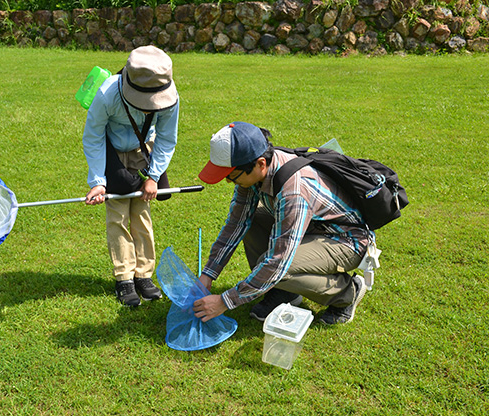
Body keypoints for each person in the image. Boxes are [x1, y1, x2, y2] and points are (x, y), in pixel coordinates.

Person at [193, 122, 373, 325]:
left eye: (232, 177)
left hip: (346, 240)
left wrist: (225, 302)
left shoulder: (293, 190)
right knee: (254, 223)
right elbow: (237, 223)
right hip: (311, 228)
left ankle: (348, 294)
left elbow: (278, 262)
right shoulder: (255, 169)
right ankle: (284, 293)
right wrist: (209, 273)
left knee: (280, 270)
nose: (229, 183)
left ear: (260, 163)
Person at [82, 45, 179, 307]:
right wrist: (98, 182)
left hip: (143, 148)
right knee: (118, 215)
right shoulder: (106, 95)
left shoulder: (171, 99)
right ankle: (124, 278)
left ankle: (143, 276)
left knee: (142, 212)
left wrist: (153, 176)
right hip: (111, 149)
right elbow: (92, 137)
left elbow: (167, 139)